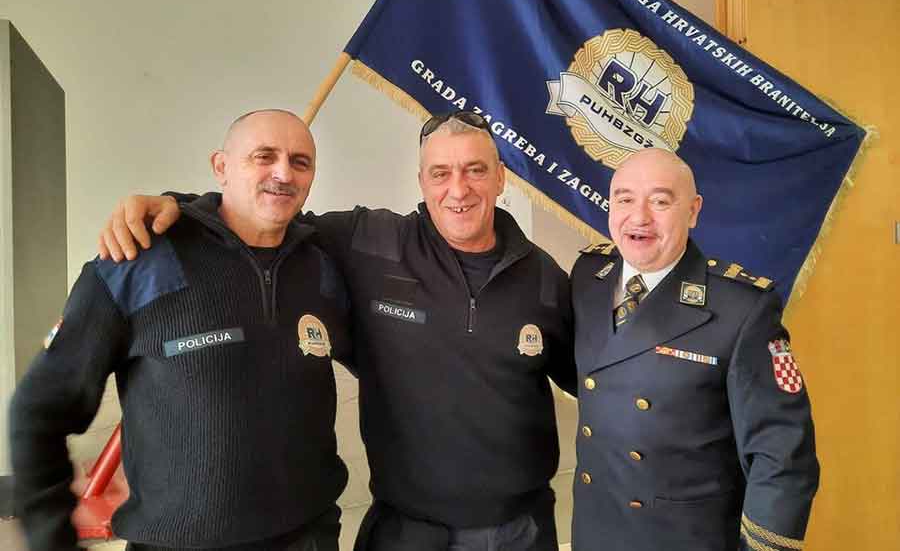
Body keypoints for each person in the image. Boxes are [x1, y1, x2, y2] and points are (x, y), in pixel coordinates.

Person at [97, 111, 577, 551]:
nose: (458, 189)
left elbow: (591, 381)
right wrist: (176, 207)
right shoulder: (371, 242)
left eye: (475, 170)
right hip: (407, 529)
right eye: (440, 173)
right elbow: (260, 216)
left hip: (519, 531)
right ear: (421, 182)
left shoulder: (544, 279)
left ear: (500, 177)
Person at [10, 110, 351, 551]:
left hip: (309, 538)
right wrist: (51, 539)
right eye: (264, 156)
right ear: (221, 167)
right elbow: (38, 412)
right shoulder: (137, 261)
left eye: (300, 162)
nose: (284, 173)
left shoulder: (322, 266)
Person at [569, 148, 819, 551]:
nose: (639, 217)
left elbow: (782, 451)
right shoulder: (588, 276)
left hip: (685, 537)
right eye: (625, 199)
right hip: (596, 530)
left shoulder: (741, 308)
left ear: (693, 211)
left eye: (660, 201)